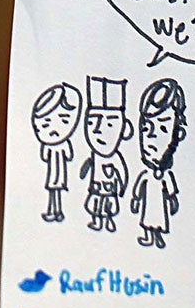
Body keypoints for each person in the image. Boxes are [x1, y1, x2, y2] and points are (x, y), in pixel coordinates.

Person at [131, 79, 188, 248]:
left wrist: (172, 200)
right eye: (146, 128)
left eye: (163, 129)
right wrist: (135, 199)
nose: (151, 137)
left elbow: (171, 190)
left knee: (158, 219)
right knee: (148, 219)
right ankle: (150, 237)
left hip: (159, 205)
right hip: (149, 205)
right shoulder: (146, 174)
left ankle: (158, 237)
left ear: (178, 133)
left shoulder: (166, 175)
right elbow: (138, 188)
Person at [78, 77, 130, 232]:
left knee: (107, 207)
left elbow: (122, 172)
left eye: (109, 124)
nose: (98, 130)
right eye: (92, 122)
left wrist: (122, 188)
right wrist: (84, 171)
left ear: (125, 129)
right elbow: (88, 165)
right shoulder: (95, 155)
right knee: (95, 206)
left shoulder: (115, 157)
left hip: (109, 189)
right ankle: (96, 221)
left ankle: (108, 222)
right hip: (95, 188)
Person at [31, 82, 82, 223]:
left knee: (56, 193)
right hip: (53, 174)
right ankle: (53, 211)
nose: (54, 129)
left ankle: (57, 211)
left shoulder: (63, 143)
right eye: (46, 124)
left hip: (59, 174)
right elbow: (61, 156)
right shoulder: (50, 145)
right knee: (53, 192)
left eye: (63, 121)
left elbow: (67, 155)